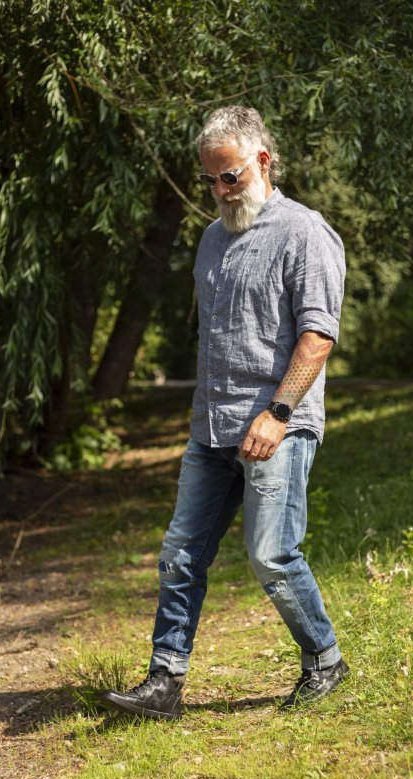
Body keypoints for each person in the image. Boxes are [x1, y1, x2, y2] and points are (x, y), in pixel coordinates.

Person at [98, 106, 348, 721]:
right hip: (211, 427)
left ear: (263, 162)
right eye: (208, 180)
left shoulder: (305, 232)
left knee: (271, 555)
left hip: (276, 426)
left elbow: (317, 334)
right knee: (181, 555)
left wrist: (279, 413)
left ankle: (326, 660)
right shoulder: (213, 237)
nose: (218, 191)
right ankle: (164, 682)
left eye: (228, 177)